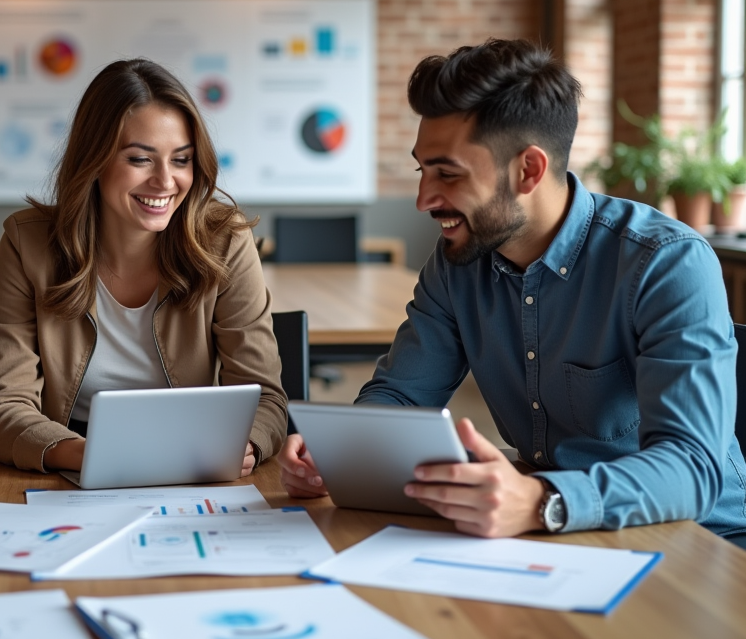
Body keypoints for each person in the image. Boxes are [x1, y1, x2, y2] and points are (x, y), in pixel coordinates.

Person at [281, 39, 746, 545]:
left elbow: (691, 467)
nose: (423, 199)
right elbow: (403, 392)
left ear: (529, 170)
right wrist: (346, 448)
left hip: (699, 541)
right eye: (422, 170)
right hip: (553, 532)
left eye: (447, 174)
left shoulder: (666, 262)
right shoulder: (459, 261)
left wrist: (543, 500)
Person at [0, 58, 287, 475]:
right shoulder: (27, 243)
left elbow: (264, 398)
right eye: (140, 159)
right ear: (94, 160)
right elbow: (0, 406)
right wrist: (89, 456)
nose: (165, 181)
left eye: (181, 159)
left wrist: (243, 443)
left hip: (193, 457)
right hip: (71, 453)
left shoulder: (225, 241)